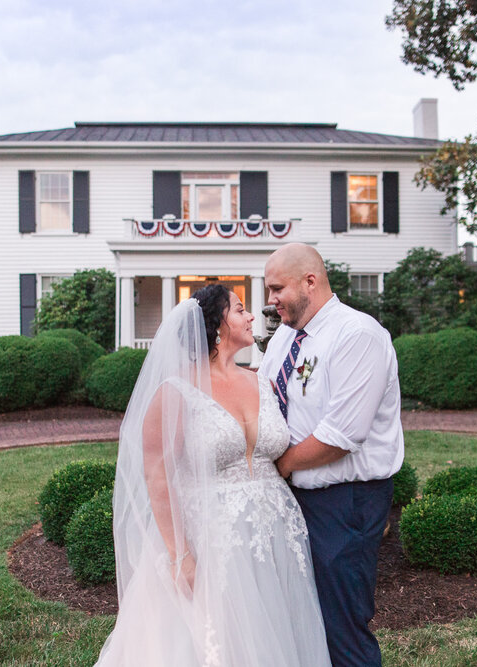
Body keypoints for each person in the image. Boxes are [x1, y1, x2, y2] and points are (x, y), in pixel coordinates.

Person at [95, 284, 331, 667]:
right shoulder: (175, 391)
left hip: (275, 533)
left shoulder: (261, 380)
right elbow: (157, 475)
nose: (252, 316)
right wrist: (180, 556)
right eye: (240, 310)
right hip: (212, 537)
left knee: (277, 630)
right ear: (218, 325)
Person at [259, 243, 404, 667]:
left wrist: (281, 465)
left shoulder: (358, 335)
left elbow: (342, 435)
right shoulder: (285, 336)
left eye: (276, 288)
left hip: (346, 502)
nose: (270, 301)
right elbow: (263, 395)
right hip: (293, 499)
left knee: (341, 625)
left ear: (310, 281)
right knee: (300, 620)